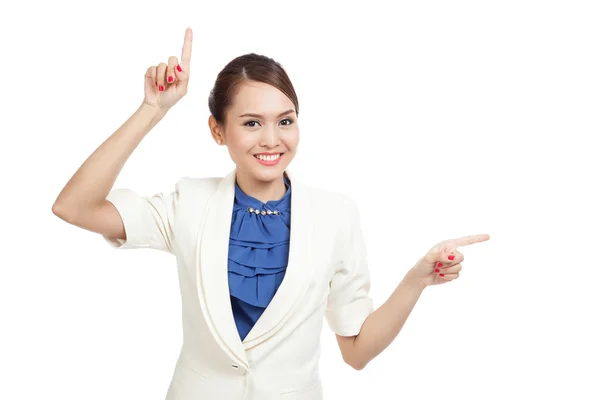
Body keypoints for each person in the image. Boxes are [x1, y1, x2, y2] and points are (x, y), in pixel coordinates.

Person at [52, 27, 490, 400]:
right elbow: (74, 206)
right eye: (250, 122)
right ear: (217, 130)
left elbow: (356, 352)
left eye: (285, 121)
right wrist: (153, 109)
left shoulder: (336, 214)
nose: (271, 139)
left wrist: (417, 279)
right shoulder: (188, 203)